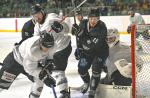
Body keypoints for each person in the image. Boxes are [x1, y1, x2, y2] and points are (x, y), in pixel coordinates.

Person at [31, 4, 72, 98]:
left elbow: (66, 29)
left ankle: (65, 94)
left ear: (42, 12)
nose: (37, 17)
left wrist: (60, 28)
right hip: (50, 51)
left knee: (57, 70)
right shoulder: (37, 26)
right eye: (34, 15)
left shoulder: (51, 17)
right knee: (42, 72)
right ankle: (34, 94)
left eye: (38, 14)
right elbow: (35, 42)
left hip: (62, 46)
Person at [0, 31, 56, 96]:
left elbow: (50, 54)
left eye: (49, 46)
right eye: (45, 46)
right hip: (14, 62)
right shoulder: (33, 51)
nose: (47, 49)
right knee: (2, 85)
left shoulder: (52, 45)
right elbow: (30, 69)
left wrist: (49, 61)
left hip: (31, 62)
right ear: (40, 43)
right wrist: (44, 77)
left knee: (39, 81)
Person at [72, 8, 109, 98]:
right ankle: (86, 83)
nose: (93, 21)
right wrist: (79, 48)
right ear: (88, 18)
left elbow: (93, 45)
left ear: (99, 19)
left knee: (96, 70)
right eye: (91, 18)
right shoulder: (83, 23)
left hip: (100, 52)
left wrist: (81, 35)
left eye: (95, 18)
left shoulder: (102, 27)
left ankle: (92, 89)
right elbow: (78, 37)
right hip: (86, 51)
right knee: (81, 69)